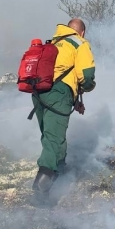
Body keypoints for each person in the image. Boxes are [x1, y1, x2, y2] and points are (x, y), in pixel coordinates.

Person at [32, 18, 96, 198]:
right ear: (81, 32)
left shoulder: (53, 43)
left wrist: (75, 100)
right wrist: (89, 86)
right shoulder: (79, 43)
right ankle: (41, 191)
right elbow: (86, 75)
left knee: (51, 134)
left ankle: (60, 169)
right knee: (54, 137)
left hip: (38, 93)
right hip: (58, 93)